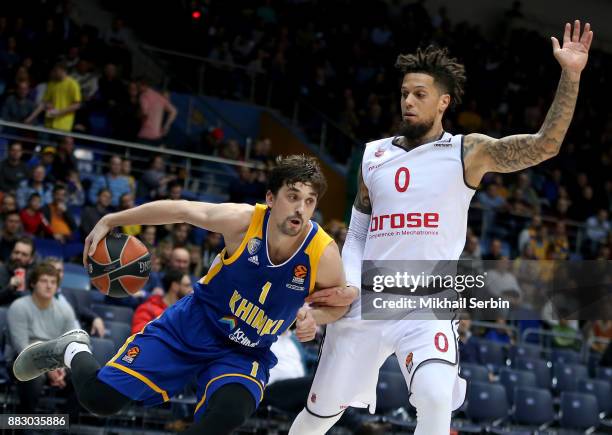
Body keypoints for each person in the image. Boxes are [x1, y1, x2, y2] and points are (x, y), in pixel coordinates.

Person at [290, 21, 593, 435]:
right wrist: (351, 283)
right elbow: (358, 231)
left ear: (443, 102)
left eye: (420, 95)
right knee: (319, 414)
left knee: (434, 397)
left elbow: (545, 144)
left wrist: (570, 75)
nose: (408, 102)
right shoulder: (373, 155)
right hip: (368, 296)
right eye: (404, 94)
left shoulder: (467, 152)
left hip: (426, 299)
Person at [13, 155, 356, 435]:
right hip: (191, 326)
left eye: (309, 201)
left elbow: (338, 306)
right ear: (271, 198)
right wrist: (112, 218)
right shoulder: (242, 222)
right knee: (100, 400)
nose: (300, 208)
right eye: (292, 196)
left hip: (244, 351)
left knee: (229, 414)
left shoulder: (323, 254)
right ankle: (72, 347)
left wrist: (314, 317)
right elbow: (180, 210)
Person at [7, 262, 78, 412]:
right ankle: (26, 424)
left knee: (84, 376)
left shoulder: (65, 310)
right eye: (44, 281)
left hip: (56, 360)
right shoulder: (19, 307)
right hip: (23, 359)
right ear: (33, 283)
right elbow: (22, 347)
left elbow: (71, 344)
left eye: (53, 282)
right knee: (33, 376)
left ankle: (59, 424)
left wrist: (61, 367)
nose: (49, 286)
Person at [25, 61, 82, 131]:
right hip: (48, 124)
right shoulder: (51, 84)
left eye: (56, 71)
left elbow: (77, 105)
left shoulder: (73, 84)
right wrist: (30, 118)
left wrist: (59, 112)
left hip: (63, 126)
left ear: (62, 70)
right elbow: (43, 104)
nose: (54, 73)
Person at [131, 269, 192, 334]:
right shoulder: (148, 309)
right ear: (175, 286)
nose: (191, 290)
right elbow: (139, 335)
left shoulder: (188, 311)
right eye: (186, 286)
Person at [0, 237, 36, 305]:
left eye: (24, 254)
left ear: (31, 259)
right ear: (11, 253)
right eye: (16, 252)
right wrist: (9, 288)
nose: (18, 257)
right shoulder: (1, 271)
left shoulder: (34, 274)